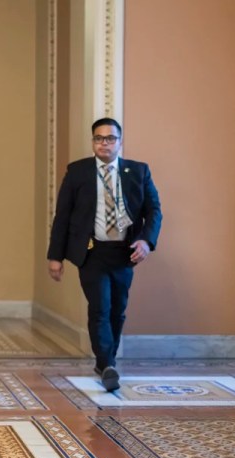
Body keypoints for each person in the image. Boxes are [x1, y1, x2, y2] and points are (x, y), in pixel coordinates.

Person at [47, 117, 162, 392]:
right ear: (93, 142)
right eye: (99, 138)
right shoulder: (78, 171)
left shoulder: (138, 171)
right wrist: (55, 256)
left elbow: (153, 211)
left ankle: (104, 362)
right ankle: (108, 364)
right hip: (91, 252)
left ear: (119, 142)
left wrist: (146, 241)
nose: (104, 143)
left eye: (110, 138)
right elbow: (62, 216)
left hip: (124, 253)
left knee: (117, 309)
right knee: (100, 306)